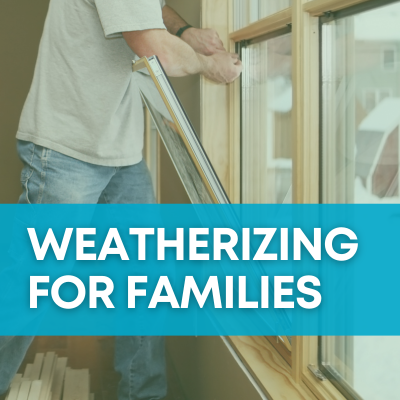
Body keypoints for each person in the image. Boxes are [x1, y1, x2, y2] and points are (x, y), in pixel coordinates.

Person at [0, 0, 242, 399]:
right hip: (68, 147)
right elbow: (151, 45)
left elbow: (152, 9)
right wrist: (205, 63)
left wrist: (184, 32)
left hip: (121, 150)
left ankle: (142, 393)